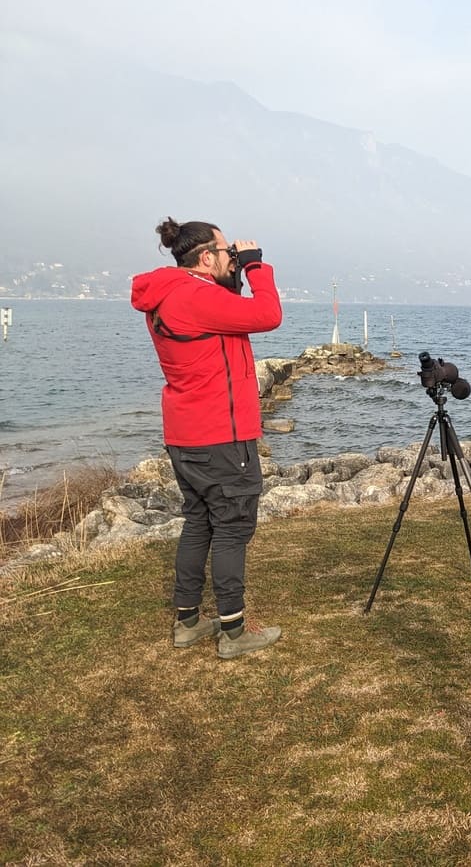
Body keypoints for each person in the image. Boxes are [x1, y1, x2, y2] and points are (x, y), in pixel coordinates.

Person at [131, 217, 283, 659]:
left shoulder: (168, 295)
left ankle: (188, 622)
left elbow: (221, 321)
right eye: (225, 251)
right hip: (221, 435)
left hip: (185, 434)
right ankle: (234, 633)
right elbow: (268, 315)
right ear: (205, 257)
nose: (231, 256)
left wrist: (230, 278)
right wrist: (256, 267)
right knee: (233, 529)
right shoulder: (196, 296)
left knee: (199, 523)